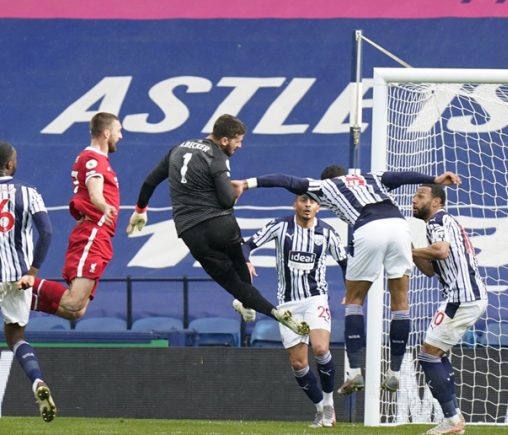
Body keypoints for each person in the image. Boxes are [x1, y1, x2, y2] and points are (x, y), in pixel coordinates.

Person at [245, 165, 461, 394]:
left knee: (355, 301)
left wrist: (248, 183)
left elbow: (286, 179)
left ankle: (355, 373)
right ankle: (395, 373)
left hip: (369, 228)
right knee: (401, 302)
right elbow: (400, 176)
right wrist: (434, 178)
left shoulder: (328, 187)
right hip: (399, 226)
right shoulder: (370, 177)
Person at [126, 114, 308, 335]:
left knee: (231, 281)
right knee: (240, 266)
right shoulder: (217, 156)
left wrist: (140, 210)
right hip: (220, 225)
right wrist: (234, 190)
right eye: (237, 141)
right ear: (224, 140)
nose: (240, 145)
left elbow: (150, 181)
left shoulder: (178, 148)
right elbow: (226, 199)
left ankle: (272, 311)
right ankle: (252, 304)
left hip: (190, 231)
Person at [233, 193, 347, 427]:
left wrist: (351, 292)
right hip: (288, 304)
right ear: (294, 204)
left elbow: (345, 262)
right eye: (303, 200)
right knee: (298, 364)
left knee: (321, 347)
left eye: (312, 201)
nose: (307, 205)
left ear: (318, 206)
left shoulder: (327, 233)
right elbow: (247, 245)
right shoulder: (280, 226)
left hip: (316, 298)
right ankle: (318, 410)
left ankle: (328, 405)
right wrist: (246, 260)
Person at [18, 112, 122, 321]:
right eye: (119, 131)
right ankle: (14, 282)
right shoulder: (93, 159)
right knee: (73, 302)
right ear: (107, 133)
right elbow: (95, 193)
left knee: (76, 311)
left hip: (98, 235)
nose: (121, 136)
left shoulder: (95, 159)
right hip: (93, 233)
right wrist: (104, 206)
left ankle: (15, 296)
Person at [410, 184, 487, 435]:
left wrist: (408, 249)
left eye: (420, 196)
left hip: (461, 298)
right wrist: (411, 252)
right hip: (466, 296)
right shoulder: (444, 222)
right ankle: (454, 419)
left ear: (436, 202)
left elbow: (441, 252)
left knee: (428, 355)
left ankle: (452, 420)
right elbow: (432, 270)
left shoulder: (437, 221)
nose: (414, 199)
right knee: (436, 354)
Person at [0, 142, 57, 421]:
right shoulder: (29, 192)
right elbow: (46, 232)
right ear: (10, 164)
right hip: (17, 277)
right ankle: (36, 381)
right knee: (16, 337)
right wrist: (33, 271)